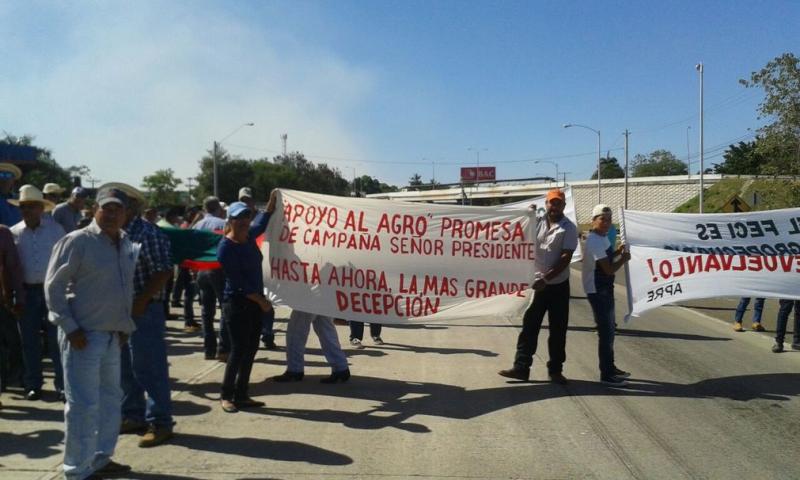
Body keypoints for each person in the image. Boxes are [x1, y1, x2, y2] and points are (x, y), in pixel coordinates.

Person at [45, 187, 136, 480]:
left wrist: (123, 328)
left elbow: (124, 288)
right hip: (83, 336)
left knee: (111, 400)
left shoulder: (124, 243)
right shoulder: (77, 241)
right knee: (83, 405)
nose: (111, 215)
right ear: (94, 210)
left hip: (112, 336)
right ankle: (76, 470)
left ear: (126, 214)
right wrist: (69, 327)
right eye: (106, 208)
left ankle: (99, 458)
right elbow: (53, 287)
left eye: (117, 210)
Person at [111, 183, 175, 448]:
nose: (113, 213)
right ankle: (133, 415)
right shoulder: (116, 234)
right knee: (125, 367)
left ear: (130, 209)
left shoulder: (147, 233)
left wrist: (142, 299)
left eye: (118, 208)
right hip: (120, 310)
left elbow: (163, 270)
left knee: (149, 367)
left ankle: (160, 422)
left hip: (144, 310)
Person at [499, 188, 577, 384]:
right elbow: (516, 237)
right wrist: (525, 215)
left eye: (558, 203)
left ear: (564, 206)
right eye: (552, 202)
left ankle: (555, 370)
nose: (555, 206)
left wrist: (547, 279)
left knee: (558, 330)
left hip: (557, 285)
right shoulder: (537, 222)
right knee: (529, 327)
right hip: (536, 286)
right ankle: (521, 368)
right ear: (546, 204)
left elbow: (565, 258)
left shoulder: (569, 228)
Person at [217, 195, 275, 412]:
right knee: (238, 350)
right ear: (230, 220)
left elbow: (262, 222)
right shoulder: (226, 247)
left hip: (255, 304)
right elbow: (238, 282)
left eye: (246, 216)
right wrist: (262, 301)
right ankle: (226, 395)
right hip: (237, 304)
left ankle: (242, 394)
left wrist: (269, 205)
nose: (244, 221)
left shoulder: (249, 236)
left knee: (251, 349)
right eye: (239, 217)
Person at [9, 185, 65, 401]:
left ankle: (62, 385)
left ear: (41, 208)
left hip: (51, 290)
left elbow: (65, 261)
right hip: (26, 292)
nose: (27, 210)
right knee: (29, 341)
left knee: (56, 340)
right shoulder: (14, 233)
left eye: (32, 206)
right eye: (23, 207)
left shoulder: (56, 231)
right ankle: (33, 384)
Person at [582, 204, 631, 386]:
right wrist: (624, 259)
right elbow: (609, 270)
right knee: (607, 332)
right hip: (597, 289)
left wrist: (618, 252)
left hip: (604, 288)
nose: (606, 222)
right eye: (602, 219)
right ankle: (607, 374)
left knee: (610, 331)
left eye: (609, 219)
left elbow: (607, 260)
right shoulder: (594, 240)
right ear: (593, 220)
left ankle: (610, 367)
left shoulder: (602, 238)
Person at [239, 187, 278, 350]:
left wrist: (272, 200)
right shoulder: (236, 237)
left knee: (266, 307)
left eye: (248, 200)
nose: (246, 204)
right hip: (244, 283)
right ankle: (228, 346)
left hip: (260, 274)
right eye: (243, 201)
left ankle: (266, 334)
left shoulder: (249, 229)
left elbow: (265, 219)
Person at [273, 311, 350, 384]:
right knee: (326, 330)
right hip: (323, 300)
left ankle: (294, 370)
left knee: (296, 332)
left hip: (307, 300)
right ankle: (340, 367)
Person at [0, 225, 25, 402]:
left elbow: (13, 267)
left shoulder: (3, 233)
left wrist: (19, 296)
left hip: (2, 299)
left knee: (8, 343)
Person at [0, 163, 22, 227]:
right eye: (1, 175)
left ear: (13, 181)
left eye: (8, 175)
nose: (4, 179)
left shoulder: (20, 200)